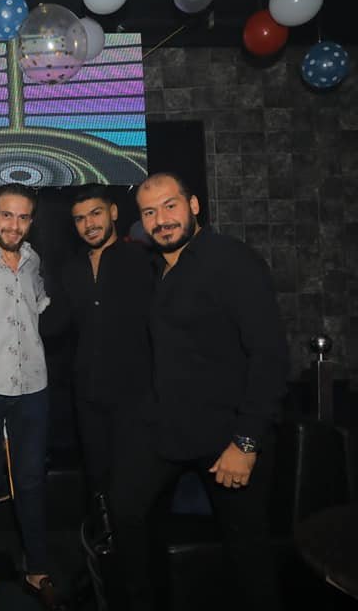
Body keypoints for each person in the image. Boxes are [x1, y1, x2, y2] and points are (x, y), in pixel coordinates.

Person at [110, 173, 288, 610]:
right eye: (149, 212)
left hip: (228, 436)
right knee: (125, 510)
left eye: (170, 206)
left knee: (248, 554)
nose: (161, 220)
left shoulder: (231, 261)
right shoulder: (159, 268)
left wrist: (246, 442)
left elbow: (269, 355)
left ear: (193, 205)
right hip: (170, 430)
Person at [0, 184, 65, 611]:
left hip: (33, 385)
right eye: (7, 215)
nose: (14, 225)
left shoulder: (32, 259)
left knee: (31, 480)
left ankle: (37, 569)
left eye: (23, 217)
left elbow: (37, 309)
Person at [42, 184, 154, 499]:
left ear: (113, 212)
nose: (89, 224)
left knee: (135, 487)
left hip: (137, 398)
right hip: (89, 398)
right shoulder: (71, 269)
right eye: (80, 219)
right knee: (98, 482)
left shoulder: (143, 260)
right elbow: (53, 324)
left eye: (95, 214)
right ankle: (102, 530)